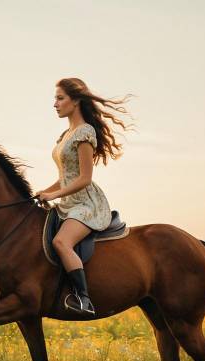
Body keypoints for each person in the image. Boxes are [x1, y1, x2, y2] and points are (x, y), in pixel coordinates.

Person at [35, 77, 132, 316]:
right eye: (55, 99)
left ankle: (83, 299)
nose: (55, 104)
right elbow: (66, 176)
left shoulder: (85, 132)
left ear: (75, 101)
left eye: (60, 98)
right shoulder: (65, 135)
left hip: (87, 203)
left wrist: (54, 194)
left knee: (61, 242)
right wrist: (45, 192)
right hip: (68, 201)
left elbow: (84, 178)